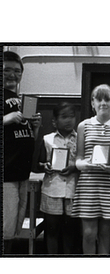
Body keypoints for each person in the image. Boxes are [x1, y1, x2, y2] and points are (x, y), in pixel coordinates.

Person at [71, 84, 110, 254]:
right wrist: (84, 165)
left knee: (106, 234)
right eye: (99, 99)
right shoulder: (84, 126)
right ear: (93, 103)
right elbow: (79, 159)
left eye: (107, 99)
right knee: (89, 234)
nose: (103, 103)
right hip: (88, 185)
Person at [3, 51, 41, 254]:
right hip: (6, 175)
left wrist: (35, 127)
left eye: (17, 71)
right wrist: (6, 119)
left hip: (21, 173)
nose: (12, 75)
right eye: (7, 70)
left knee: (14, 229)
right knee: (5, 230)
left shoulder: (18, 99)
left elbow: (26, 138)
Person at [37, 102, 80, 254]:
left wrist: (74, 167)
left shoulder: (81, 138)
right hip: (52, 189)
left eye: (72, 116)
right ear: (54, 121)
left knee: (70, 230)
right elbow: (39, 163)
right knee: (52, 229)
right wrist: (45, 166)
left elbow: (84, 162)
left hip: (73, 190)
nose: (68, 120)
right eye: (64, 117)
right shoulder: (47, 139)